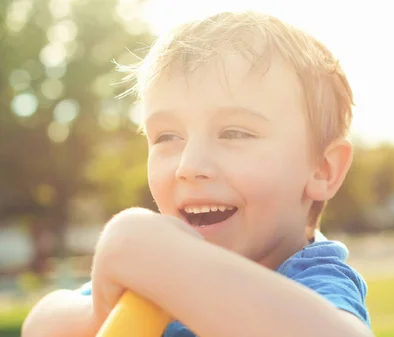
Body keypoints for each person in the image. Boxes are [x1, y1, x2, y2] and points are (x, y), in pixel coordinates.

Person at [22, 10, 372, 337]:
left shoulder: (312, 280)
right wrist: (98, 314)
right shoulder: (157, 270)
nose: (188, 166)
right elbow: (38, 325)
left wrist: (177, 268)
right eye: (167, 137)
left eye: (234, 132)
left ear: (323, 170)